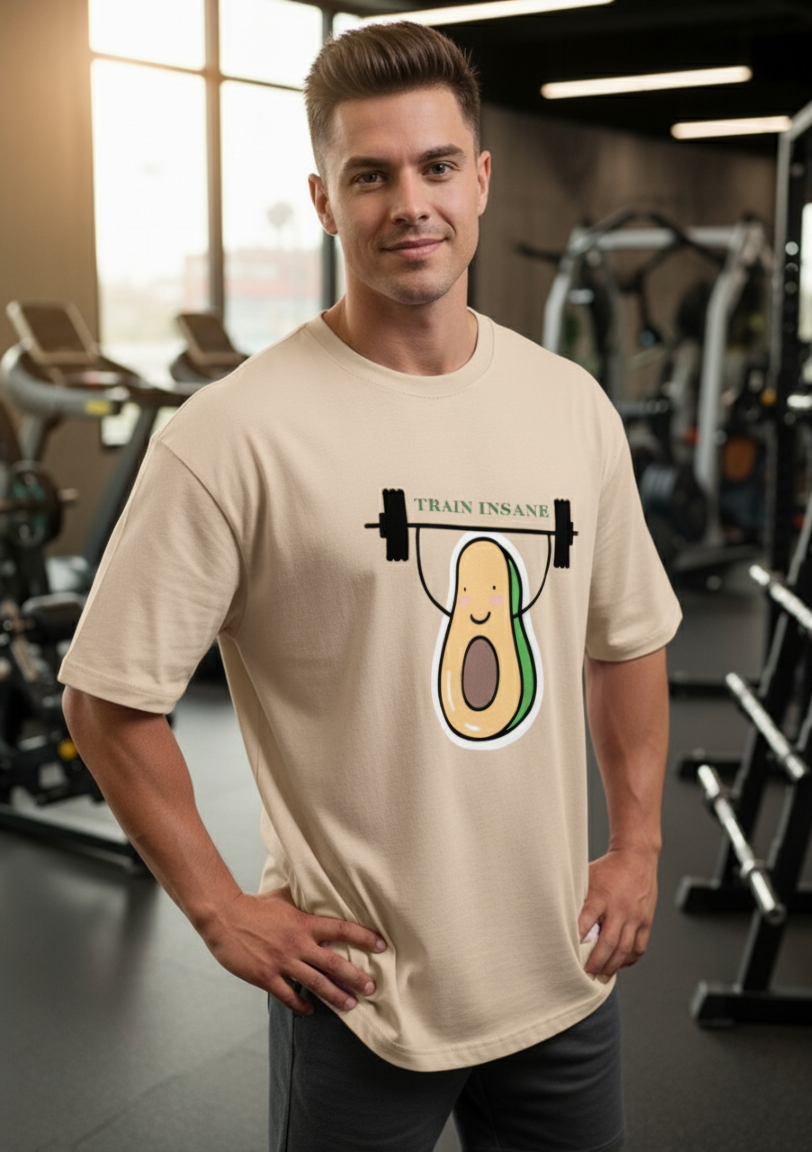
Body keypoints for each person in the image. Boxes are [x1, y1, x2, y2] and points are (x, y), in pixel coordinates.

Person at [60, 20, 682, 1152]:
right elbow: (107, 698)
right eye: (371, 175)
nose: (411, 202)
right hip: (360, 996)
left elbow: (626, 636)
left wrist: (635, 847)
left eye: (437, 166)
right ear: (322, 198)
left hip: (560, 973)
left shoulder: (569, 408)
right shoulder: (231, 434)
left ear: (480, 179)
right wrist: (217, 907)